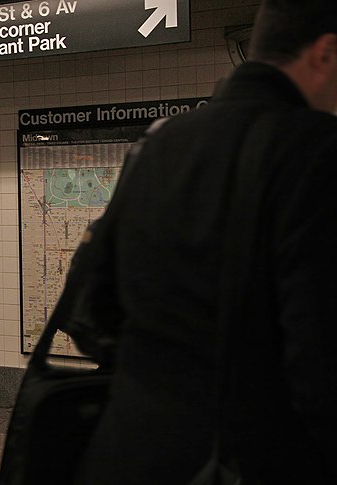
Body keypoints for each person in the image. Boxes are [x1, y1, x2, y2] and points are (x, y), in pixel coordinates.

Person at [70, 1, 337, 484]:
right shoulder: (317, 151)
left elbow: (91, 310)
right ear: (325, 52)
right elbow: (320, 355)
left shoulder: (157, 143)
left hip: (128, 448)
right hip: (247, 459)